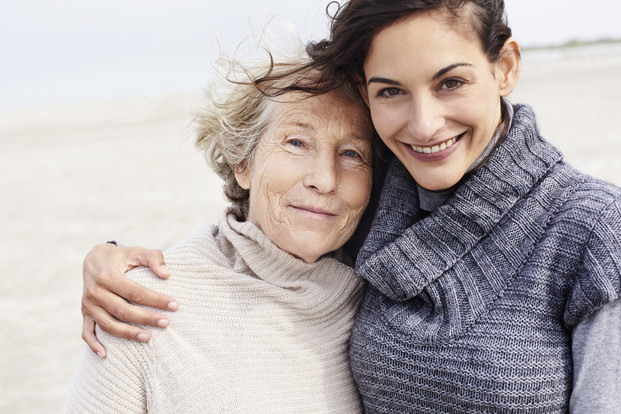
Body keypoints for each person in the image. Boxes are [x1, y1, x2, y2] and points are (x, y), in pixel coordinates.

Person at [81, 1, 621, 412]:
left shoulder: (595, 229)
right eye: (391, 91)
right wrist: (109, 257)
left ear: (505, 67)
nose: (424, 124)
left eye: (452, 82)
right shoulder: (381, 195)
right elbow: (266, 228)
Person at [65, 48, 383, 412]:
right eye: (296, 143)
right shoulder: (140, 303)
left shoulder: (381, 300)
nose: (325, 180)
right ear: (242, 161)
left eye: (351, 154)